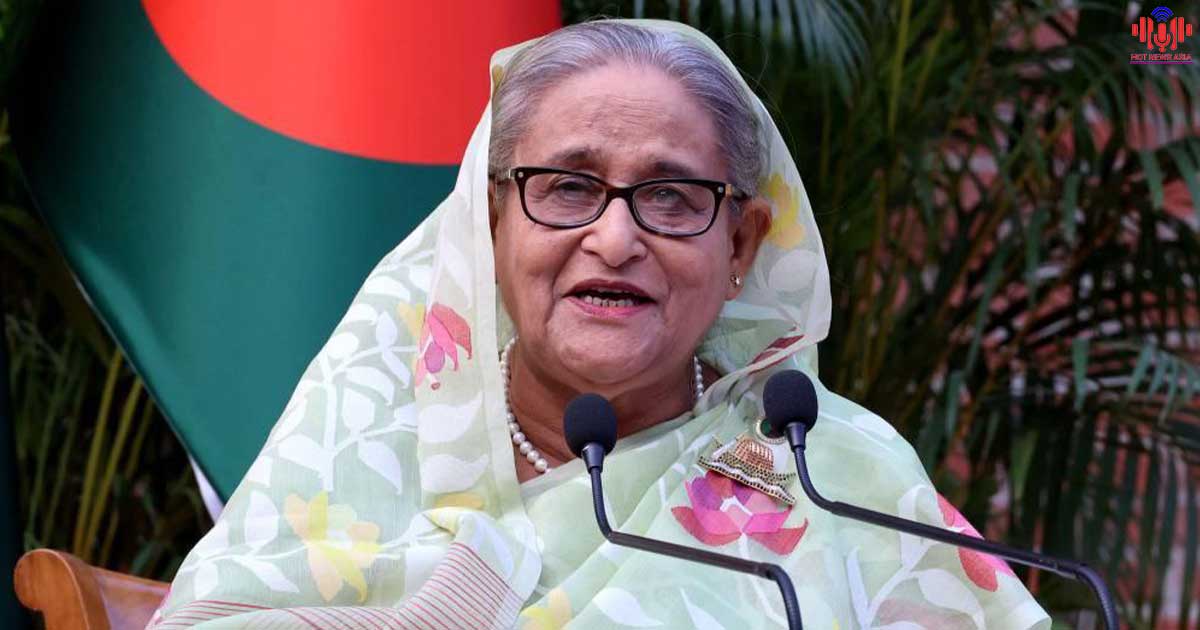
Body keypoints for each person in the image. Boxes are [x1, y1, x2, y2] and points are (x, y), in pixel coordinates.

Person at [149, 19, 1050, 629]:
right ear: (492, 222)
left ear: (740, 243)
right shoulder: (369, 420)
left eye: (671, 196)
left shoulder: (833, 473)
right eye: (568, 187)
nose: (615, 240)